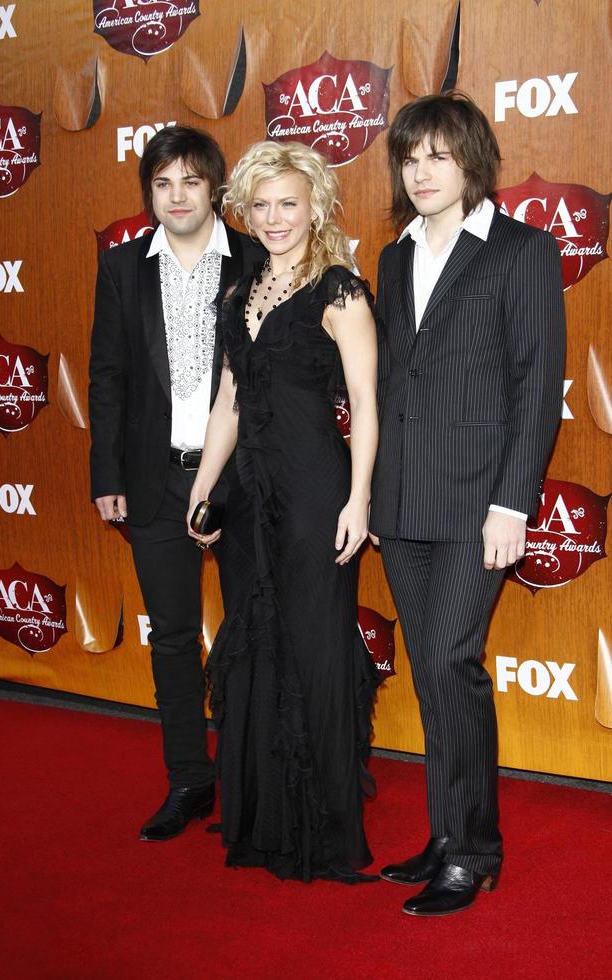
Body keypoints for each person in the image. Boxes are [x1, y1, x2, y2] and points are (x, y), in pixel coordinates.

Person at [370, 92, 566, 915]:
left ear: (472, 161)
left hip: (479, 499)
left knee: (453, 663)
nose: (421, 171)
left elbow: (535, 385)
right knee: (431, 671)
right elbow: (388, 383)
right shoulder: (391, 256)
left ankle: (476, 851)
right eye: (410, 157)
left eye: (438, 156)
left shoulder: (522, 250)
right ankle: (446, 835)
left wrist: (513, 505)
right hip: (403, 499)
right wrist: (373, 498)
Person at [187, 140, 381, 883]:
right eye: (261, 205)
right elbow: (228, 403)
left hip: (313, 494)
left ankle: (324, 830)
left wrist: (358, 499)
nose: (274, 218)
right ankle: (260, 816)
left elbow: (365, 405)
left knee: (315, 647)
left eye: (288, 204)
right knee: (255, 642)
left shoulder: (340, 292)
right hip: (246, 498)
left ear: (316, 207)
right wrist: (204, 488)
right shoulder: (239, 295)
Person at [89, 126, 263, 842]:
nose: (176, 196)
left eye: (190, 181)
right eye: (162, 184)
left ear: (214, 187)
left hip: (244, 482)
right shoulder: (122, 267)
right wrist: (107, 473)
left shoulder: (256, 257)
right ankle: (190, 777)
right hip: (154, 480)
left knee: (255, 632)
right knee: (171, 639)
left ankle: (256, 781)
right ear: (148, 193)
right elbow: (106, 376)